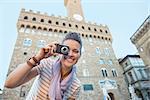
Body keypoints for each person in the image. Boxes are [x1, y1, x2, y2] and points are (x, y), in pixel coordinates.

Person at [5, 32, 82, 100]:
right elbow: (9, 83)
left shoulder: (76, 85)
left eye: (76, 51)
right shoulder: (46, 64)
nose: (70, 54)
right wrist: (37, 58)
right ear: (59, 50)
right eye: (66, 49)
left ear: (80, 55)